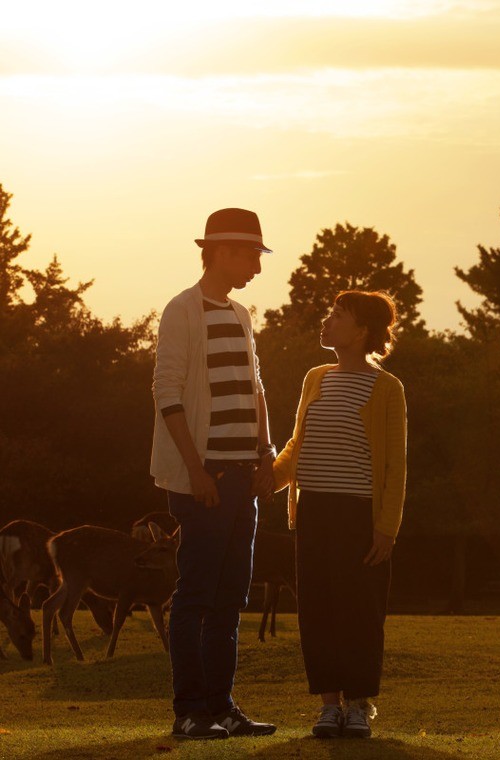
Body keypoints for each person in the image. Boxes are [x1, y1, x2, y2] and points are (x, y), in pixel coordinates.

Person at [151, 208, 278, 740]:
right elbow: (167, 391)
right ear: (220, 252)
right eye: (251, 255)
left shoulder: (242, 315)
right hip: (204, 482)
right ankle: (189, 711)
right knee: (196, 597)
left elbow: (256, 388)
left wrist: (267, 452)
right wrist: (196, 471)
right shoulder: (181, 309)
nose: (257, 267)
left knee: (230, 601)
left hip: (244, 479)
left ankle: (222, 708)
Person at [272, 290, 407, 739]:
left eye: (337, 316)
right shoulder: (316, 378)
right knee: (318, 610)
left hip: (360, 516)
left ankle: (359, 704)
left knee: (361, 612)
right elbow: (298, 442)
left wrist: (386, 527)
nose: (326, 322)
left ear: (362, 331)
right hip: (314, 510)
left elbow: (395, 464)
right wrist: (268, 479)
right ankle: (329, 706)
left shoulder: (387, 388)